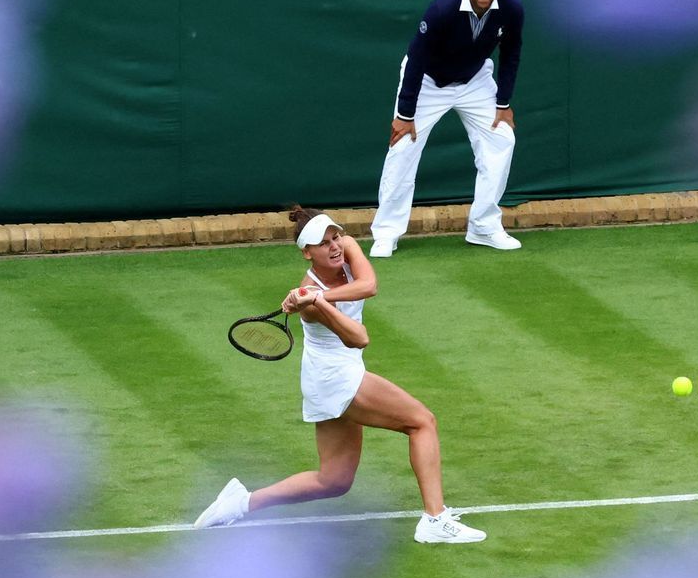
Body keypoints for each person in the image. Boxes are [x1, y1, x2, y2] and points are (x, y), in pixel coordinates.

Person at [194, 207, 486, 545]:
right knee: (421, 422)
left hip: (329, 378)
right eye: (324, 243)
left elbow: (369, 285)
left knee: (333, 481)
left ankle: (239, 504)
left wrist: (320, 296)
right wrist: (314, 301)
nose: (335, 246)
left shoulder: (341, 256)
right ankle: (435, 519)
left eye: (336, 236)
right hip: (336, 379)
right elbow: (359, 338)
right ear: (307, 252)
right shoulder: (311, 299)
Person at [370, 0, 523, 257]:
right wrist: (405, 114)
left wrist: (503, 103)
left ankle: (483, 226)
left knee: (502, 139)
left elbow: (511, 54)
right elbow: (416, 60)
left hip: (476, 81)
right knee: (402, 149)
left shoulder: (512, 9)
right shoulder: (441, 9)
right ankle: (386, 233)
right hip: (428, 82)